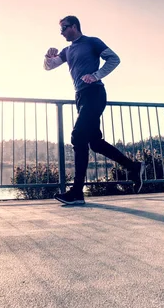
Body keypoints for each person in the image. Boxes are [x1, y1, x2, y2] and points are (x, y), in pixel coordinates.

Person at [44, 15, 145, 205]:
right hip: (81, 97)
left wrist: (96, 75)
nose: (62, 32)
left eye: (64, 28)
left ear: (74, 26)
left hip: (95, 93)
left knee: (77, 137)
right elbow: (49, 67)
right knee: (95, 143)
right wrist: (47, 57)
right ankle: (133, 167)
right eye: (60, 29)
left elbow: (114, 59)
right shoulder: (67, 50)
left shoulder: (92, 42)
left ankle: (76, 193)